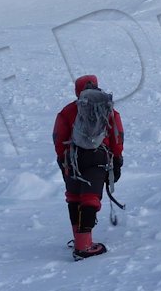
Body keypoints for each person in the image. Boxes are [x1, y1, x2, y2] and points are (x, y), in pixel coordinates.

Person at [53, 74, 124, 260]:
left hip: (73, 159)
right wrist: (117, 160)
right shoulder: (107, 109)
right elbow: (117, 136)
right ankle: (84, 246)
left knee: (75, 197)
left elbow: (58, 136)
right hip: (98, 157)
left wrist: (62, 159)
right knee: (91, 198)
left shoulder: (68, 111)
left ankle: (80, 240)